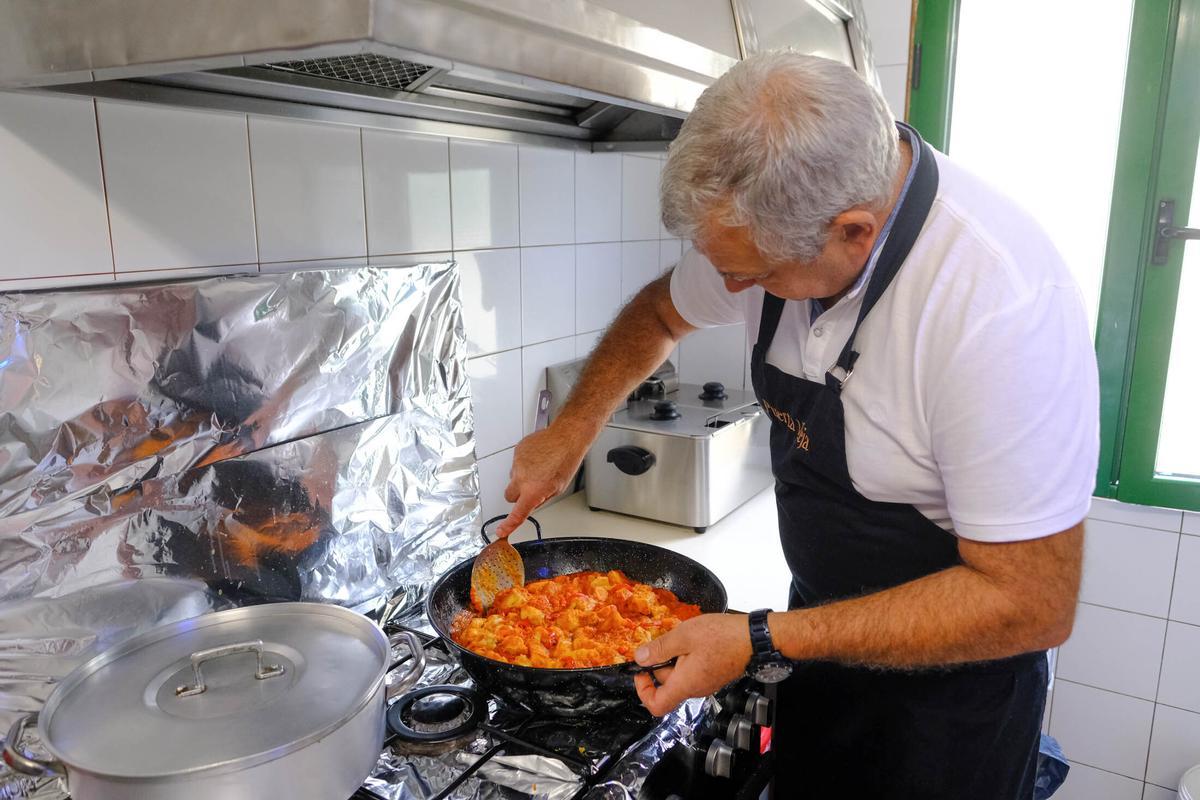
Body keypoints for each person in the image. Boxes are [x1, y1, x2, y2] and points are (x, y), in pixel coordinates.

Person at [496, 51, 1098, 798]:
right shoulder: (776, 227)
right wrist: (575, 428)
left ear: (853, 232)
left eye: (753, 277)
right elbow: (659, 311)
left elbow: (1032, 602)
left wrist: (758, 637)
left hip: (952, 711)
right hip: (818, 647)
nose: (731, 290)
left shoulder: (998, 306)